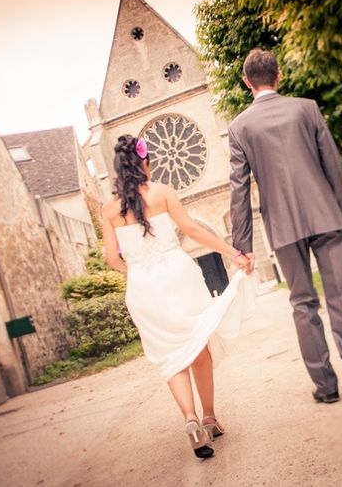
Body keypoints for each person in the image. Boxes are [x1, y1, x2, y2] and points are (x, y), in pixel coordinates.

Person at [228, 48, 342, 404]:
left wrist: (241, 245)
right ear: (279, 76)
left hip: (282, 226)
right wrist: (335, 210)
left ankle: (325, 388)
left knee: (303, 304)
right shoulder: (307, 108)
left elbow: (239, 189)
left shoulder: (239, 127)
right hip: (324, 215)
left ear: (247, 82)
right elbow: (332, 164)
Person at [100, 134, 255, 459]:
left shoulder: (109, 209)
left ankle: (190, 419)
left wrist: (139, 271)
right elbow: (194, 230)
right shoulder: (161, 193)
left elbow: (112, 259)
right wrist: (232, 251)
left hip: (143, 286)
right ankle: (210, 417)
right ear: (145, 163)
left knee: (172, 356)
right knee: (198, 347)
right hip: (178, 275)